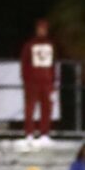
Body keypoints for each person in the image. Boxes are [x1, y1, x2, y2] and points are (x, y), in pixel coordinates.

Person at [20, 19, 56, 147]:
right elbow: (24, 64)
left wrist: (53, 82)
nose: (42, 31)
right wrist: (26, 80)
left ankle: (44, 134)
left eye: (44, 29)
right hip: (32, 83)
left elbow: (53, 65)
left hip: (47, 83)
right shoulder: (29, 45)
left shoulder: (51, 45)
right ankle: (29, 133)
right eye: (40, 28)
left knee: (47, 108)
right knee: (30, 108)